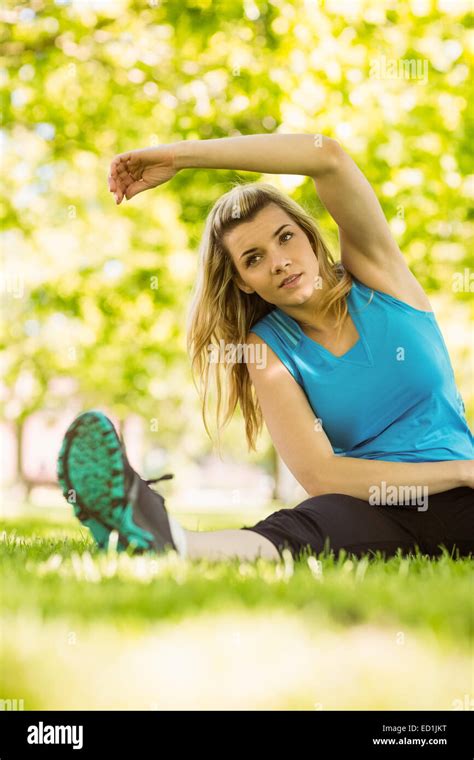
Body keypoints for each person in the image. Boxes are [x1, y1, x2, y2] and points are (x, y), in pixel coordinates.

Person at [57, 133, 474, 562]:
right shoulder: (269, 347)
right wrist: (462, 471)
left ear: (310, 238)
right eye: (253, 259)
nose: (278, 261)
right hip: (371, 504)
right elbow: (320, 473)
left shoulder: (379, 279)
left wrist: (180, 157)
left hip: (465, 501)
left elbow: (326, 157)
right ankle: (163, 538)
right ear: (242, 281)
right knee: (302, 526)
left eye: (285, 237)